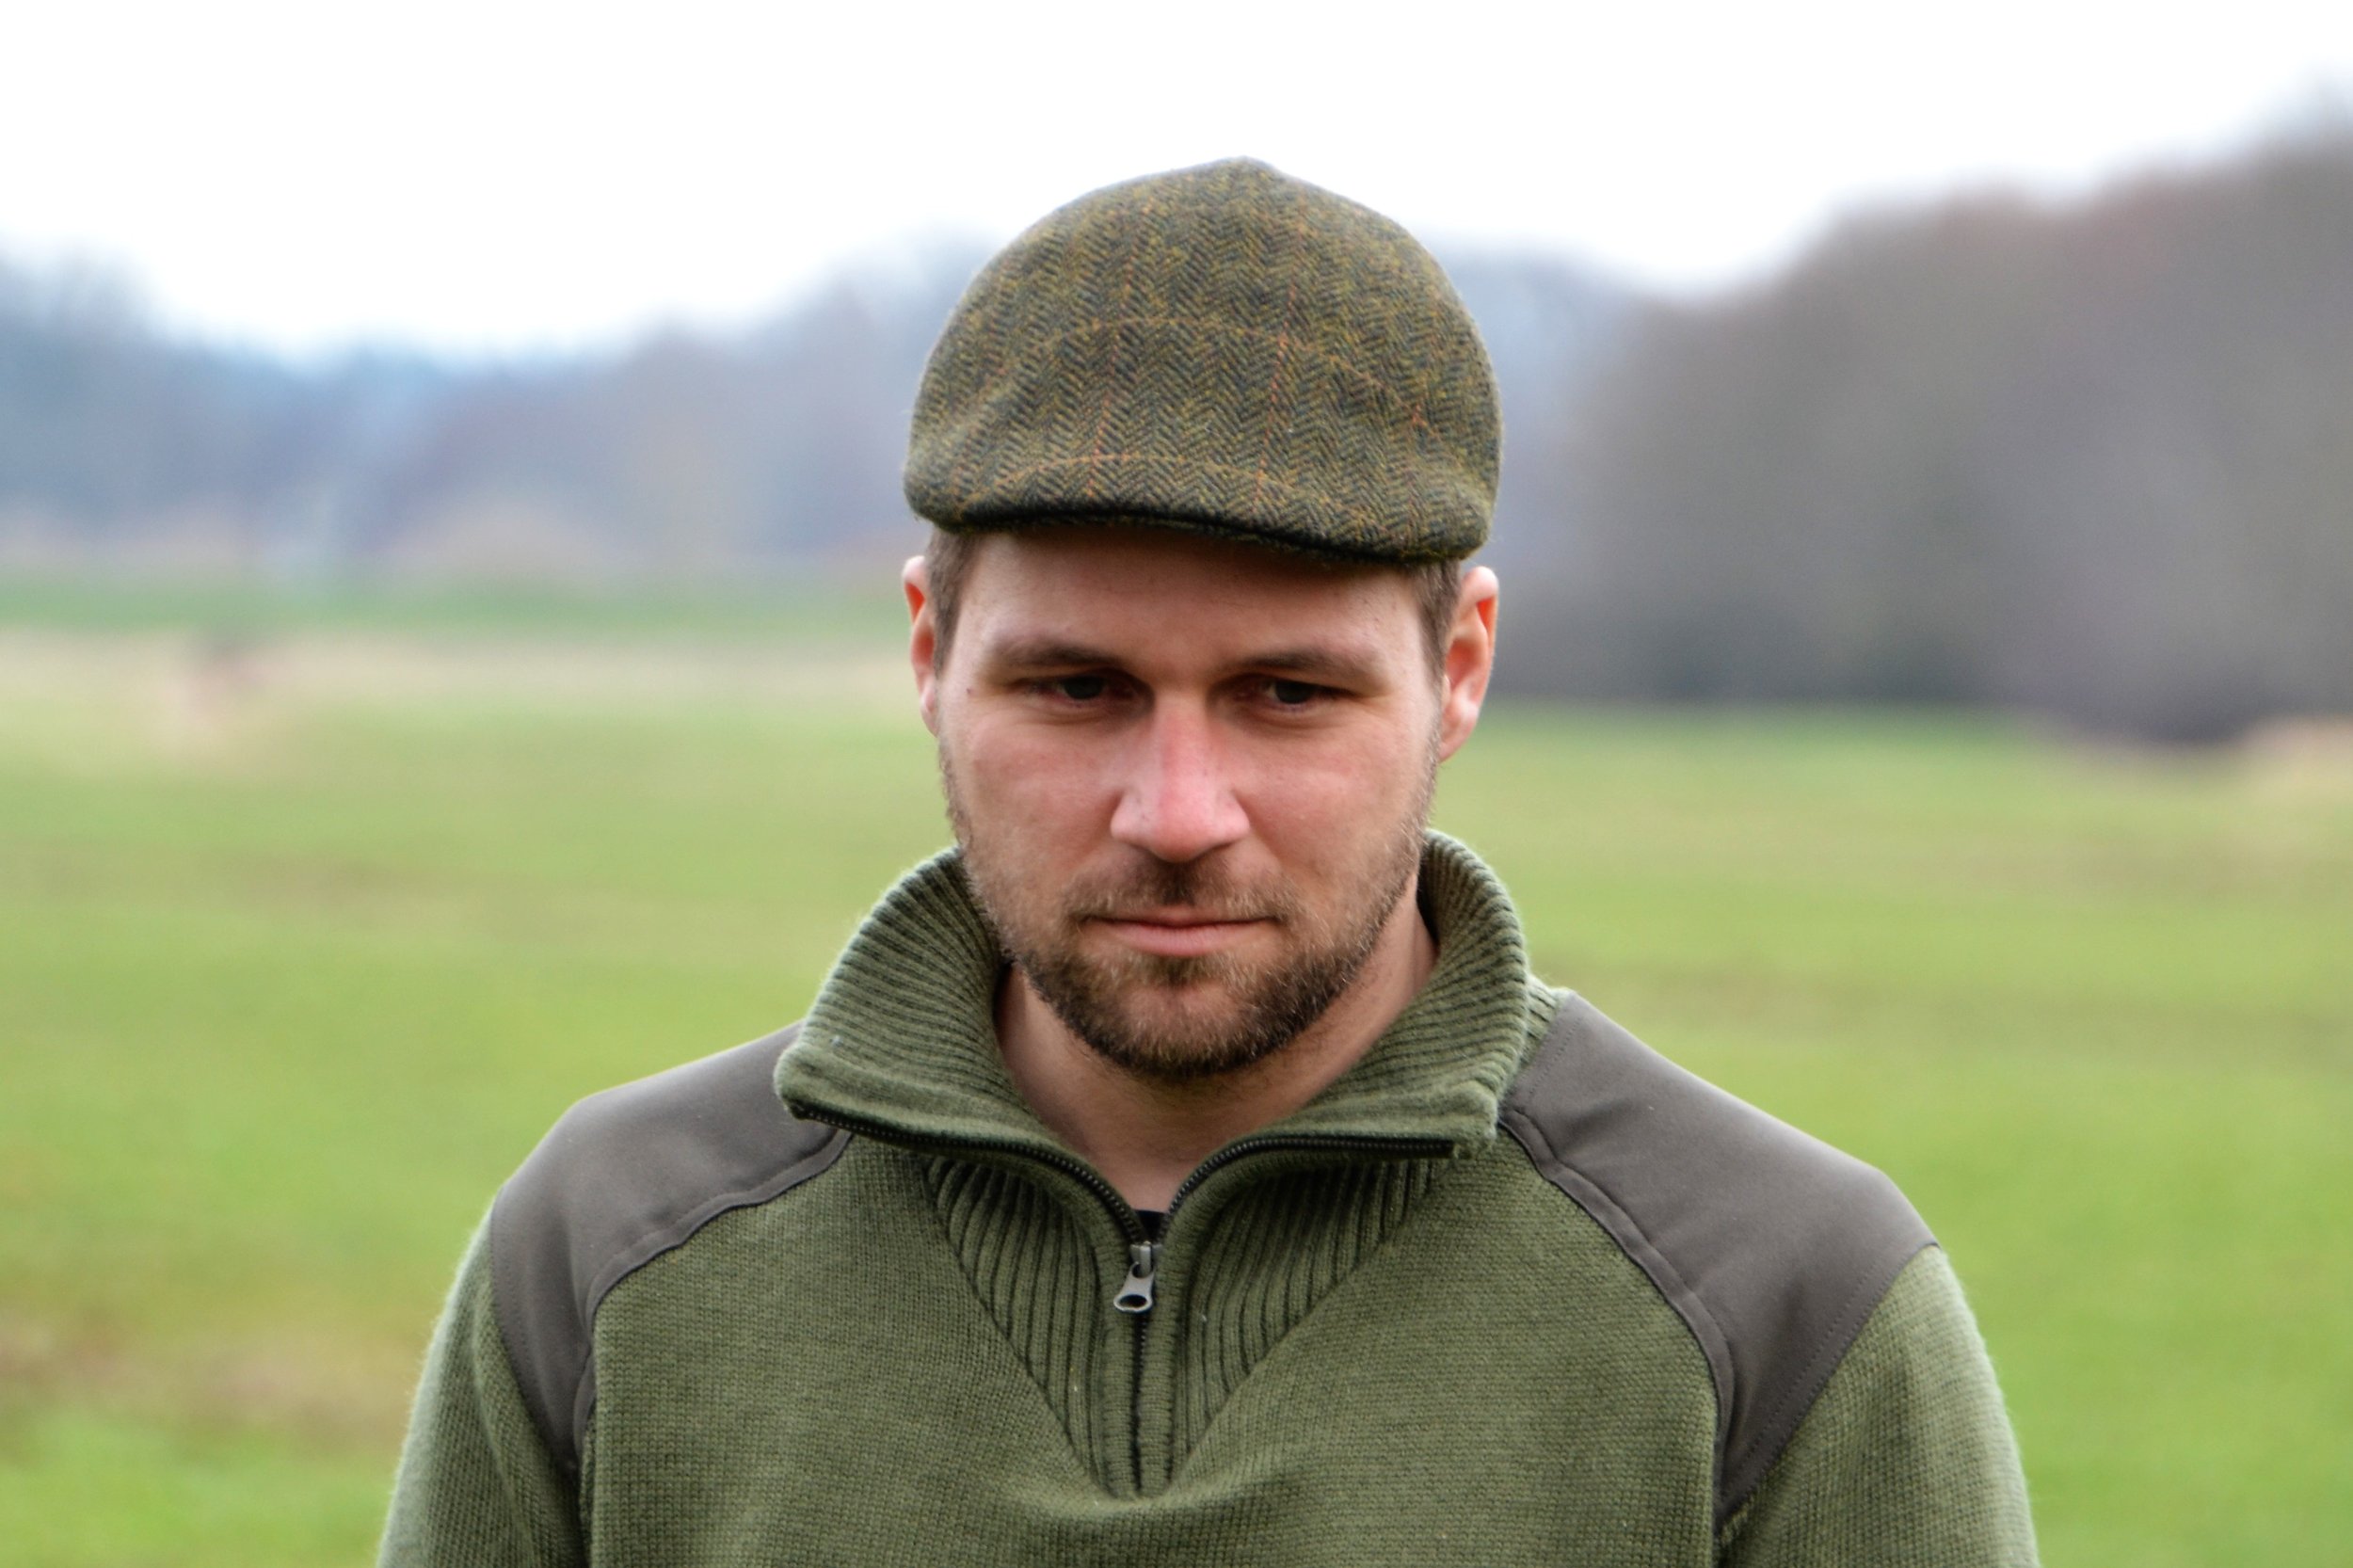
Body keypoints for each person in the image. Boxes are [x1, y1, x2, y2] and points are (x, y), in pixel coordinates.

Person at [380, 158, 2037, 1566]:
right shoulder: (612, 1260)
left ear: (1460, 666)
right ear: (929, 651)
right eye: (1076, 687)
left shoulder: (1783, 1307)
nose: (1178, 813)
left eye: (1288, 695)